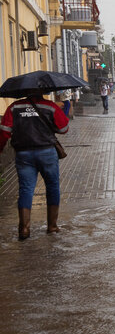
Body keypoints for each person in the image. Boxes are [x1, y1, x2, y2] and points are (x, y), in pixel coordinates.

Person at [0, 91, 70, 240]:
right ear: (43, 92)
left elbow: (5, 131)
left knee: (25, 189)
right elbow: (63, 129)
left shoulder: (14, 107)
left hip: (23, 154)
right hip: (47, 153)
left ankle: (24, 229)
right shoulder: (50, 106)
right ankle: (52, 226)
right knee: (52, 186)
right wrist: (63, 110)